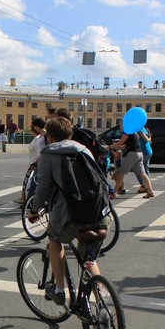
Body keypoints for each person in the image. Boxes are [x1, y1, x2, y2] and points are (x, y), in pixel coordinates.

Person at [28, 117, 110, 305]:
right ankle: (102, 304)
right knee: (88, 260)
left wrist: (34, 210)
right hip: (97, 213)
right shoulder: (84, 150)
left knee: (55, 240)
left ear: (49, 137)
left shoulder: (48, 155)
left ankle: (58, 289)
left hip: (70, 216)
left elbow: (42, 189)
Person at [111, 128, 155, 198]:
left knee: (121, 172)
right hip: (139, 153)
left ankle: (115, 192)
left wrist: (110, 146)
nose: (120, 127)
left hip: (132, 154)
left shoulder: (127, 132)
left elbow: (120, 143)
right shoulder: (134, 132)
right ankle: (150, 191)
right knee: (142, 173)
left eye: (121, 125)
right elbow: (125, 145)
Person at [15, 117, 47, 204]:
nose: (33, 128)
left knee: (33, 181)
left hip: (40, 162)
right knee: (33, 181)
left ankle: (30, 201)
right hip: (36, 162)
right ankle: (29, 200)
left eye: (34, 126)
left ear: (37, 126)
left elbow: (43, 150)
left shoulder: (45, 135)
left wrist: (36, 162)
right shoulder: (40, 136)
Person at [138, 126, 153, 191]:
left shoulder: (140, 129)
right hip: (149, 151)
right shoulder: (146, 129)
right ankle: (147, 185)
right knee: (146, 168)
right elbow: (149, 140)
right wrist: (149, 139)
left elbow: (145, 139)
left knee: (139, 169)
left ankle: (143, 185)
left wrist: (148, 139)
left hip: (144, 151)